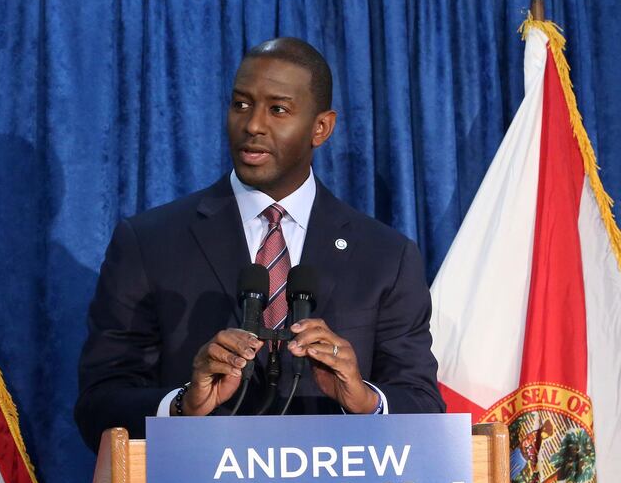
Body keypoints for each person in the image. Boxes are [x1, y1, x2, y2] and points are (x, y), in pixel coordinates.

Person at [75, 37, 445, 453]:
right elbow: (98, 406)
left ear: (320, 128)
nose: (253, 125)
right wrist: (181, 406)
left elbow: (423, 403)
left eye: (278, 109)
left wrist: (364, 400)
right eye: (241, 104)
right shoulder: (149, 242)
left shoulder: (386, 256)